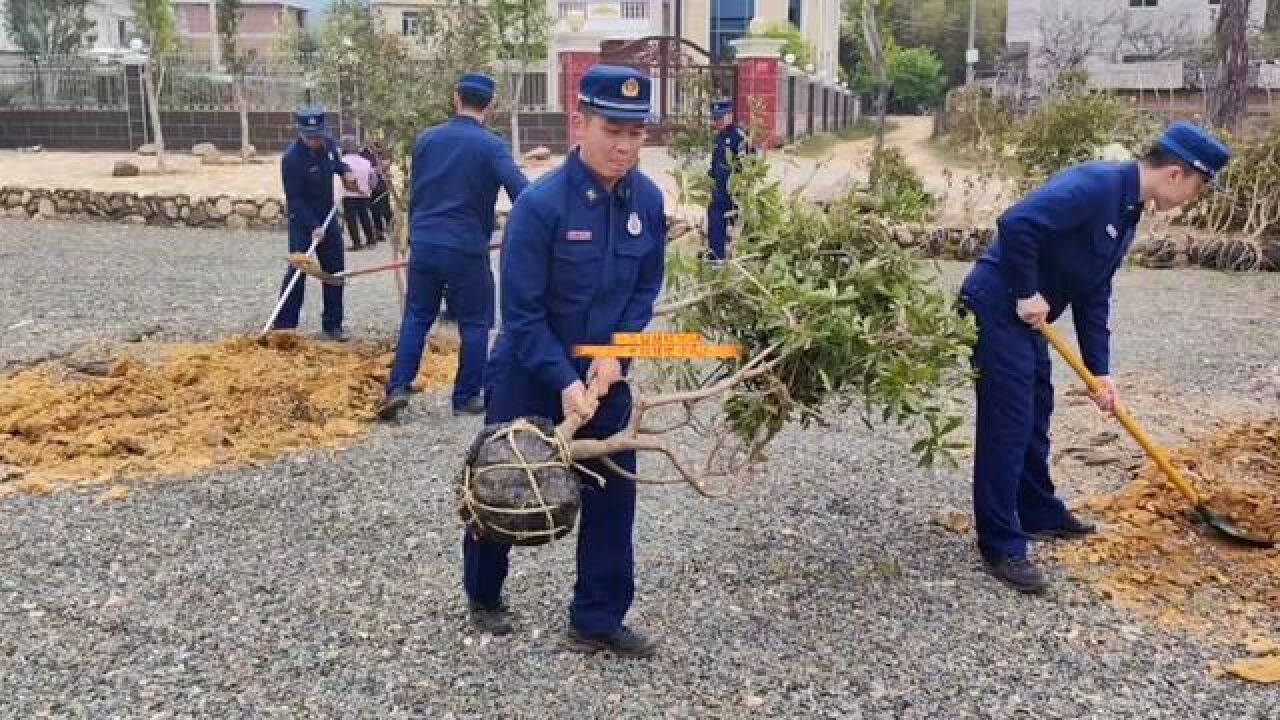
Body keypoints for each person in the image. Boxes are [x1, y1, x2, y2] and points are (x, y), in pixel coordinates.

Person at [958, 121, 1230, 595]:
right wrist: (1025, 292)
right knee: (1009, 422)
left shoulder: (1127, 210)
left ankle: (1038, 510)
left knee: (1037, 410)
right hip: (997, 306)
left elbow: (1094, 292)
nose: (1191, 199)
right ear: (1175, 174)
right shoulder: (1096, 184)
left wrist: (1099, 370)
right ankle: (1001, 543)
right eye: (1196, 188)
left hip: (1024, 319)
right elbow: (1016, 223)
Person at [461, 65, 667, 659]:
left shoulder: (646, 200)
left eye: (637, 133)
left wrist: (615, 356)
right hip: (529, 373)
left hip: (605, 378)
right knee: (502, 486)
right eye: (613, 129)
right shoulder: (541, 205)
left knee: (613, 495)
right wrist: (563, 383)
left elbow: (643, 289)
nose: (626, 145)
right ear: (582, 122)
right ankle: (484, 594)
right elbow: (521, 314)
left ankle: (596, 620)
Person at [375, 73, 528, 421]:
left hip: (425, 242)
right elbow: (523, 193)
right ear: (490, 104)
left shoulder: (427, 139)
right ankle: (466, 396)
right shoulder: (491, 146)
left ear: (456, 98)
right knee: (475, 321)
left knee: (417, 315)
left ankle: (398, 386)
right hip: (466, 247)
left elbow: (417, 191)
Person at [274, 108, 360, 341]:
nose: (315, 140)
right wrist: (313, 225)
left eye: (318, 135)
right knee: (298, 271)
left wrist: (347, 172)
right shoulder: (291, 159)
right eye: (310, 136)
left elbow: (337, 164)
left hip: (328, 217)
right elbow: (295, 199)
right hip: (303, 221)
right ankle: (284, 326)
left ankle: (333, 325)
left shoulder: (329, 145)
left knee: (335, 272)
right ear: (300, 133)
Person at [706, 98, 750, 262]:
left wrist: (741, 188)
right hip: (719, 190)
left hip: (734, 191)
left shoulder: (739, 138)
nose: (717, 122)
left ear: (730, 115)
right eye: (715, 118)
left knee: (738, 225)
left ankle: (737, 257)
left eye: (720, 118)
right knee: (715, 221)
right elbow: (715, 163)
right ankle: (715, 256)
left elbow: (747, 165)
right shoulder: (719, 137)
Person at [339, 135, 378, 251]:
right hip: (364, 194)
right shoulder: (366, 162)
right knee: (365, 217)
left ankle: (357, 243)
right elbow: (373, 178)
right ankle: (371, 240)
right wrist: (370, 189)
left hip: (348, 194)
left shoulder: (342, 161)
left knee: (351, 219)